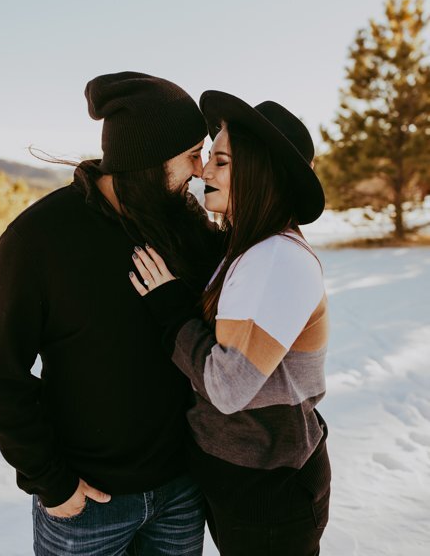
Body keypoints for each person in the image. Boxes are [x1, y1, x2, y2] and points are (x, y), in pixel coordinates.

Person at [0, 70, 225, 556]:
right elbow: (5, 374)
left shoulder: (188, 227)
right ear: (147, 159)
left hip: (180, 492)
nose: (200, 170)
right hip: (88, 501)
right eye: (191, 156)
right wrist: (51, 482)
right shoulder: (39, 239)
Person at [130, 92, 330, 556]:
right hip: (241, 481)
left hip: (269, 494)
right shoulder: (248, 248)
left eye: (221, 161)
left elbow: (228, 387)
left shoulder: (278, 258)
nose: (204, 171)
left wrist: (170, 309)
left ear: (260, 171)